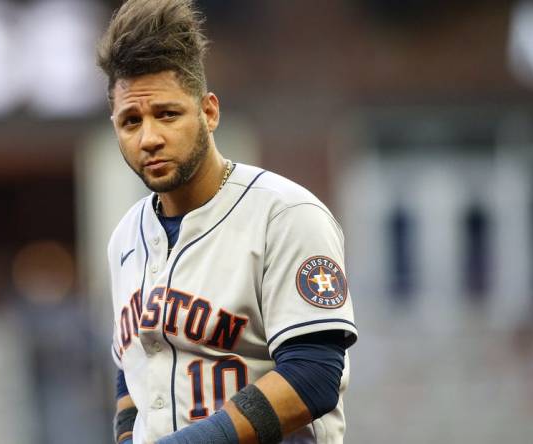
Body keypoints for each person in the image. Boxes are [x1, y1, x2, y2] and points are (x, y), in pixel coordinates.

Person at [97, 1, 357, 443]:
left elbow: (315, 374)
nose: (150, 138)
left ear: (209, 112)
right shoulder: (125, 236)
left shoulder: (286, 214)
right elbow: (134, 367)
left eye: (167, 114)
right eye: (130, 121)